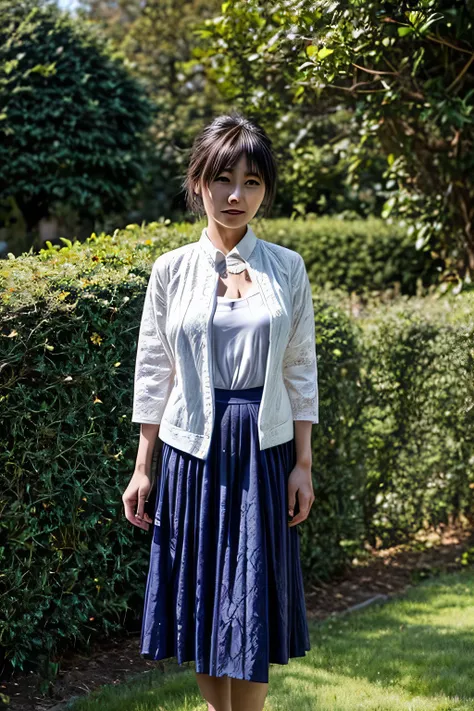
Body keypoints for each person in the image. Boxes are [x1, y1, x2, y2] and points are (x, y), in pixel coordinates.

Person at [122, 111, 319, 711]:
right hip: (193, 452)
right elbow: (155, 372)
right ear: (198, 182)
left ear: (266, 191)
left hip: (265, 449)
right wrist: (142, 466)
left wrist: (303, 463)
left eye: (252, 181)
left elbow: (300, 369)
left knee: (252, 597)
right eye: (223, 178)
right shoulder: (171, 270)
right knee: (208, 597)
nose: (236, 195)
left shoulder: (287, 267)